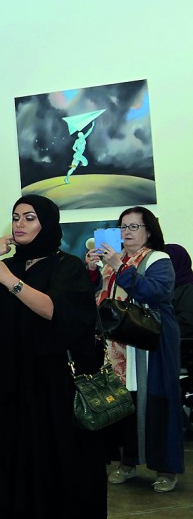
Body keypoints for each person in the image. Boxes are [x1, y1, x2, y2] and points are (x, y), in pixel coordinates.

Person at [0, 194, 106, 519]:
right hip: (11, 381)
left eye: (29, 217)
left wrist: (9, 279)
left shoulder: (68, 267)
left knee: (69, 464)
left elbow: (55, 312)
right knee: (17, 460)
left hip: (57, 384)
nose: (20, 224)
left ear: (48, 224)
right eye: (15, 217)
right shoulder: (3, 266)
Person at [88, 206, 184, 493]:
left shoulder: (159, 258)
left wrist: (120, 267)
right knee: (124, 406)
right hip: (117, 346)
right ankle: (127, 463)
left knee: (157, 404)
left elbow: (156, 293)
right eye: (122, 227)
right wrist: (92, 271)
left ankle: (166, 469)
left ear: (148, 231)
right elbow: (94, 297)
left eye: (133, 227)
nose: (126, 233)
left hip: (150, 344)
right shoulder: (111, 262)